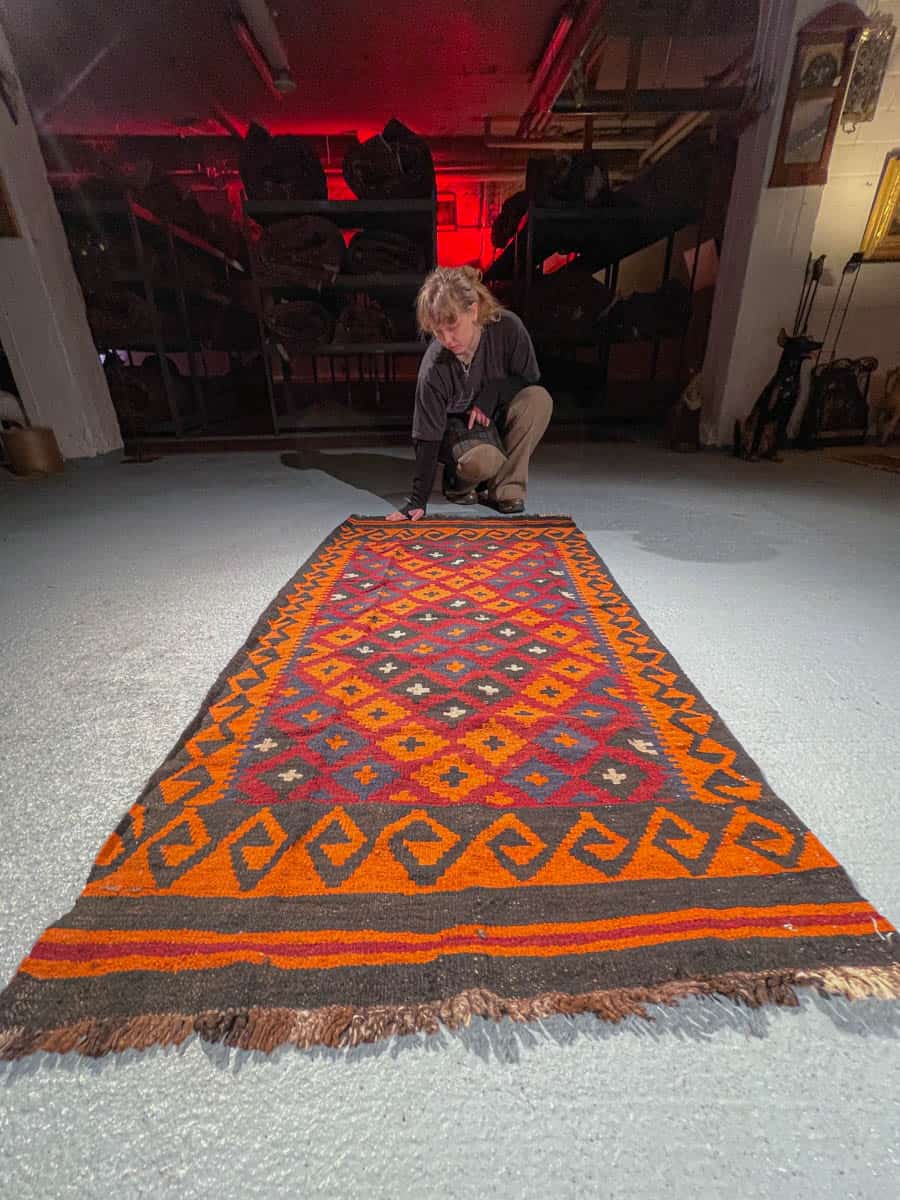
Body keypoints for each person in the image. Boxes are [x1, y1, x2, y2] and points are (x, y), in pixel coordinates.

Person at [386, 266, 552, 521]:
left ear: (473, 311)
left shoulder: (508, 327)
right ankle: (459, 484)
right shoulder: (433, 365)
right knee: (484, 460)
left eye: (453, 326)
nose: (447, 339)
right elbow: (426, 436)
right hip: (460, 432)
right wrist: (418, 500)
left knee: (538, 400)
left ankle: (506, 489)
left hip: (496, 416)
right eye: (438, 331)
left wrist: (493, 391)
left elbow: (528, 379)